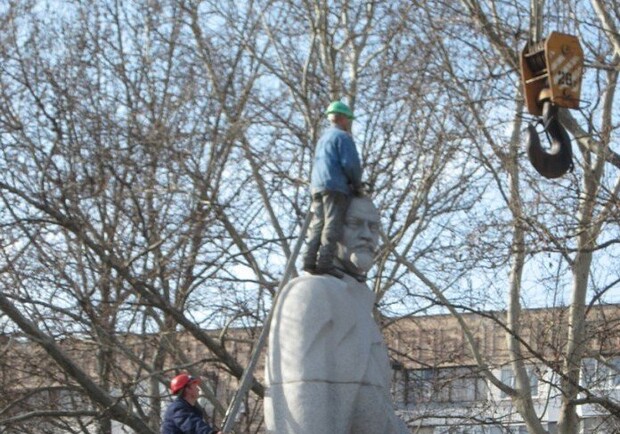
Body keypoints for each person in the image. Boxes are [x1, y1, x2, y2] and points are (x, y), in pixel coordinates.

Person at [265, 196, 409, 434]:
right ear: (329, 229)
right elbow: (304, 411)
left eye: (373, 227)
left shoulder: (360, 305)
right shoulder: (311, 293)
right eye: (355, 223)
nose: (367, 235)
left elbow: (375, 411)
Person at [302, 100, 363, 277]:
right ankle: (325, 263)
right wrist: (357, 185)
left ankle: (309, 259)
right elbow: (350, 164)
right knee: (332, 224)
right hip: (335, 186)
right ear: (343, 118)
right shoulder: (343, 138)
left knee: (319, 224)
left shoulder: (323, 139)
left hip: (317, 186)